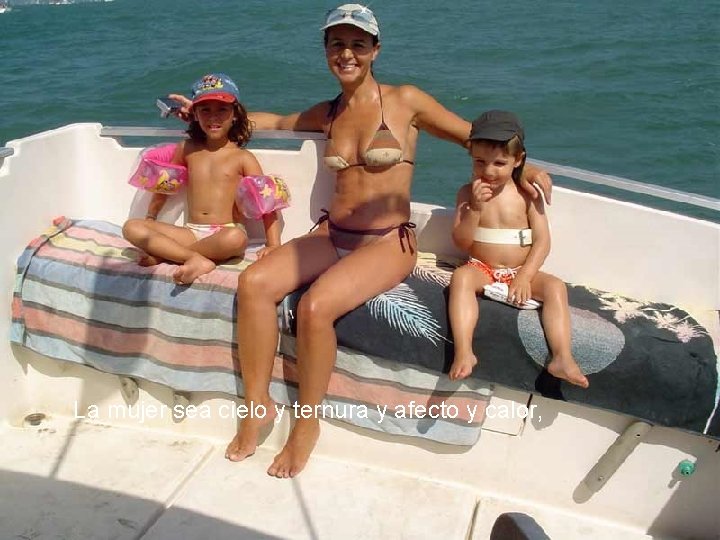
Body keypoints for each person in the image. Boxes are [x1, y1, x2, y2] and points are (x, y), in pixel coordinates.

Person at [172, 5, 553, 478]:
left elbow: (472, 137)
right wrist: (208, 113)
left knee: (314, 308)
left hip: (387, 242)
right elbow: (278, 121)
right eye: (336, 44)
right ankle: (258, 405)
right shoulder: (329, 112)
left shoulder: (407, 100)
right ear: (327, 52)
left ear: (375, 49)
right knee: (254, 282)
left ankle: (306, 424)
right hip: (335, 235)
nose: (346, 53)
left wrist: (527, 166)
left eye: (357, 44)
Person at [448, 110, 588, 388]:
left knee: (556, 287)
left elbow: (542, 241)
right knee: (461, 278)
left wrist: (524, 276)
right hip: (482, 267)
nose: (489, 171)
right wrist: (474, 209)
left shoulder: (528, 195)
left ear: (518, 160)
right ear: (471, 156)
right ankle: (464, 351)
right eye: (480, 161)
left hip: (519, 270)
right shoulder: (467, 193)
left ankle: (562, 356)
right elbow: (462, 242)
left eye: (500, 163)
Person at [123, 73, 281, 285]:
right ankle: (193, 258)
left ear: (235, 114)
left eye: (222, 110)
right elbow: (167, 185)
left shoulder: (242, 157)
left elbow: (266, 203)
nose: (213, 117)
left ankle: (166, 255)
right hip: (190, 231)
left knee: (236, 239)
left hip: (225, 232)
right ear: (195, 114)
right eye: (205, 110)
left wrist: (274, 245)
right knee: (131, 227)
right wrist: (150, 218)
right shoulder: (186, 149)